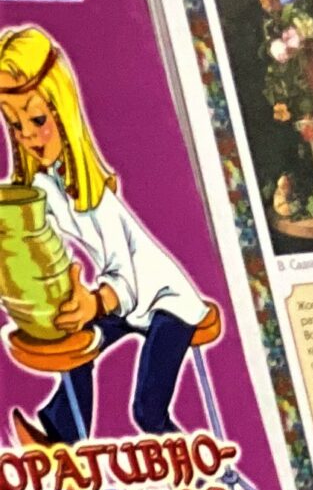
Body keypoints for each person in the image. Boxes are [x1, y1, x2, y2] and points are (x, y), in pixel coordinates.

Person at [0, 26, 222, 444]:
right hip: (123, 302)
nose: (27, 135)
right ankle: (61, 435)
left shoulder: (95, 197)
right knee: (76, 341)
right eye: (15, 125)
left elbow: (127, 274)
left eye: (37, 120)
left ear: (62, 111)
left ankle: (200, 469)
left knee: (147, 412)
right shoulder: (45, 185)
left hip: (164, 300)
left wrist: (95, 301)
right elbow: (25, 235)